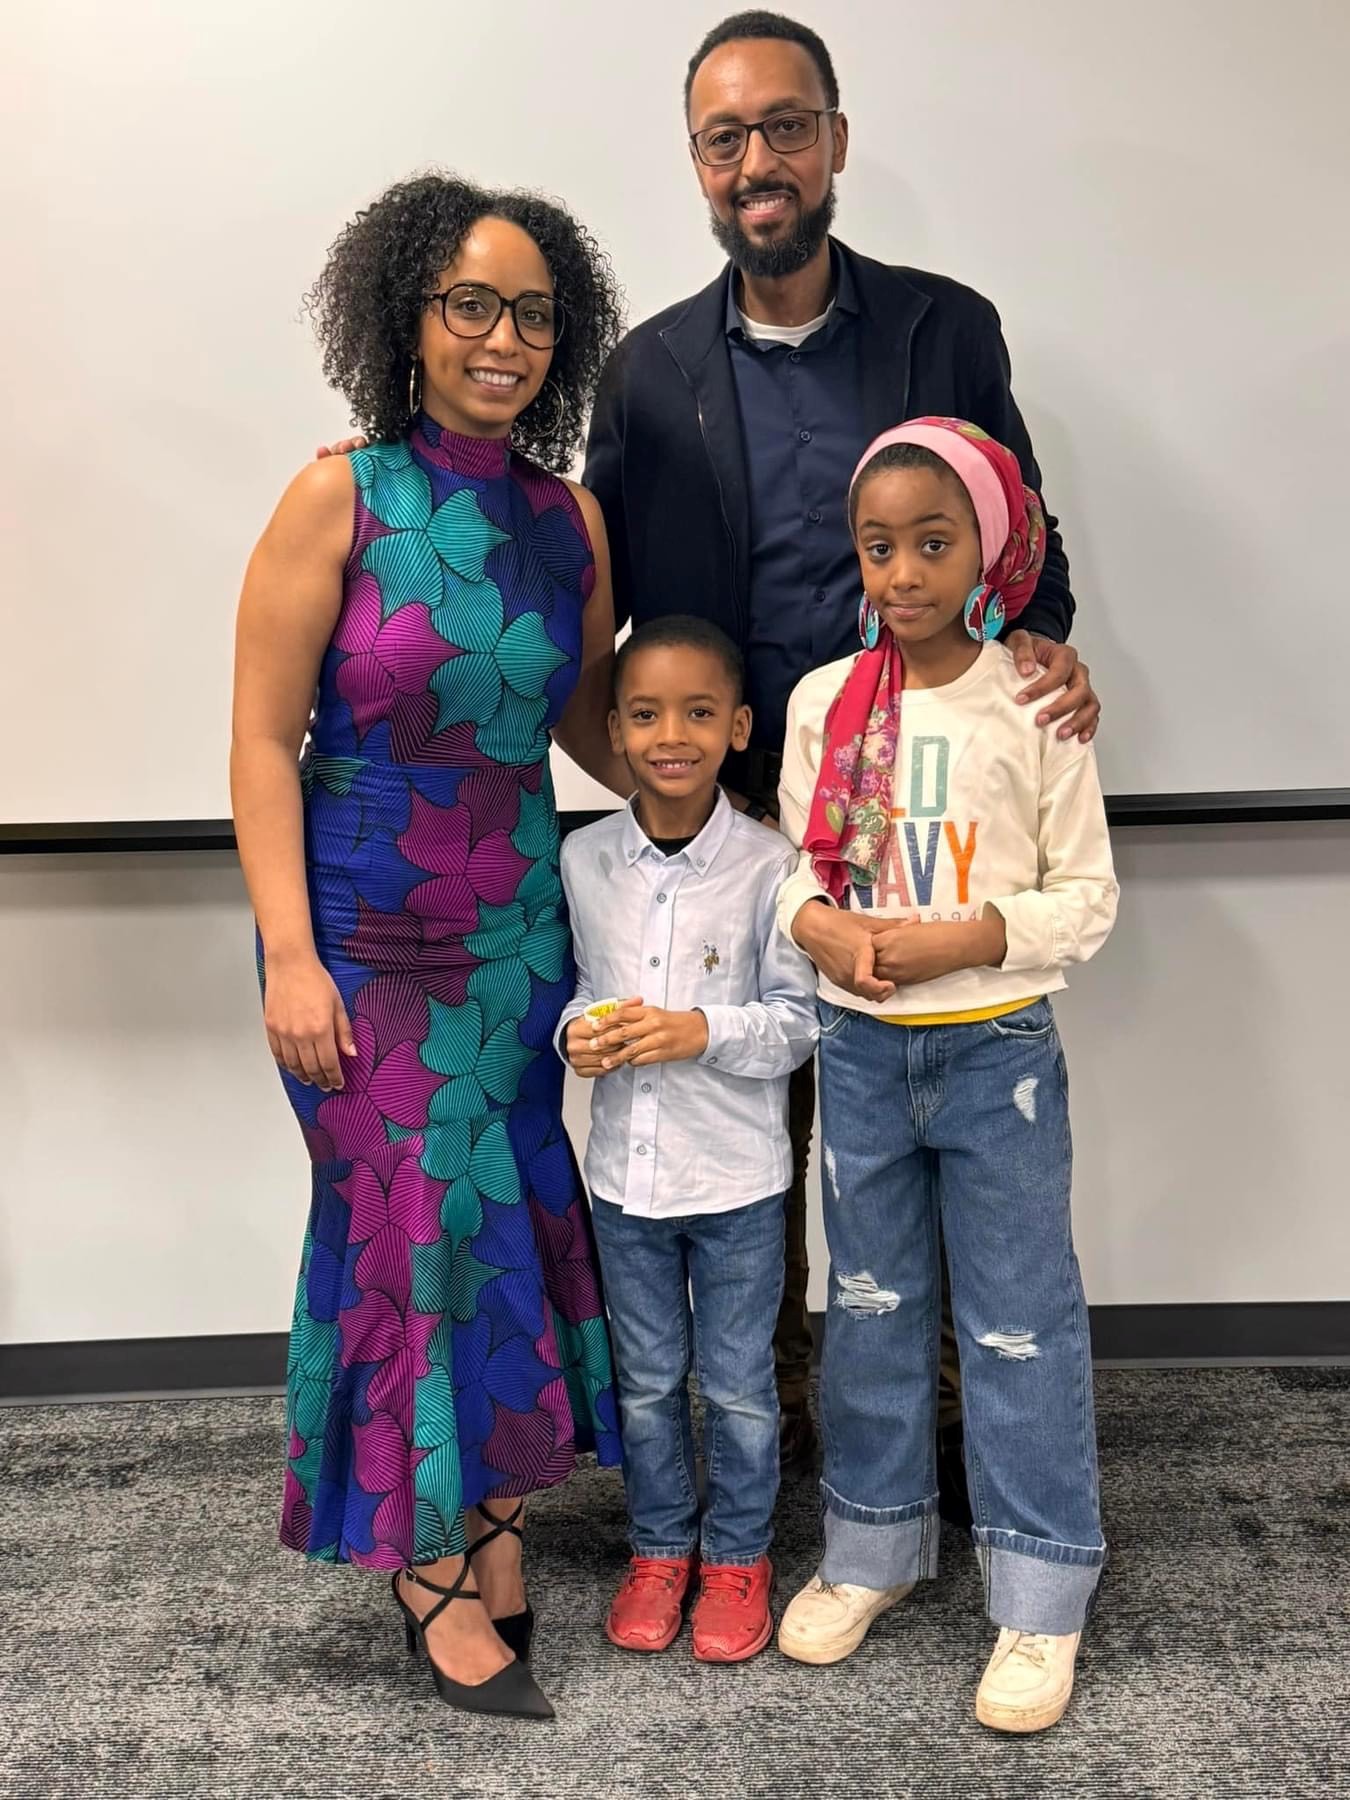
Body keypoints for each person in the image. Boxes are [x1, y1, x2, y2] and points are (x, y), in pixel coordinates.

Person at [583, 9, 1102, 1498]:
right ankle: (782, 1431)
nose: (758, 160)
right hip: (742, 816)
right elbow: (588, 579)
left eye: (785, 126)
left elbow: (1024, 539)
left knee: (920, 1118)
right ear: (697, 162)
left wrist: (1042, 647)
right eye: (725, 137)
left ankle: (939, 1434)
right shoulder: (643, 372)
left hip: (929, 810)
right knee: (759, 1127)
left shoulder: (945, 330)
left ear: (834, 141)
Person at [231, 172, 632, 1721]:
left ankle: (495, 1523)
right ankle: (427, 1564)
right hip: (362, 939)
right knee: (411, 1229)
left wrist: (739, 781)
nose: (503, 337)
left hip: (515, 938)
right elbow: (261, 742)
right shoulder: (337, 497)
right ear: (406, 317)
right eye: (471, 303)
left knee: (505, 1221)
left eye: (533, 312)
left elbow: (580, 720)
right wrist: (288, 955)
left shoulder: (566, 520)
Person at [773, 416, 1117, 1732]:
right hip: (860, 1052)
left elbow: (1085, 897)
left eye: (932, 543)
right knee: (867, 1307)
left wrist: (970, 939)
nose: (904, 573)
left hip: (994, 1052)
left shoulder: (1033, 701)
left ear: (990, 547)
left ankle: (1039, 1592)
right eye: (879, 548)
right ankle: (871, 1545)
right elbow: (791, 877)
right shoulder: (822, 703)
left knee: (1018, 1319)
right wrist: (814, 924)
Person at [556, 617, 818, 1663]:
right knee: (650, 1380)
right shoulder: (584, 859)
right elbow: (581, 988)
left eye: (699, 713)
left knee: (743, 1385)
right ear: (615, 729)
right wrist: (577, 1036)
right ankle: (661, 1547)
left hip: (739, 1180)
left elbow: (798, 1022)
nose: (673, 735)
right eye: (647, 714)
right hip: (626, 1182)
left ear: (737, 728)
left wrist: (698, 1030)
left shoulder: (771, 863)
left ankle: (740, 1555)